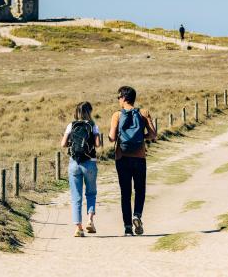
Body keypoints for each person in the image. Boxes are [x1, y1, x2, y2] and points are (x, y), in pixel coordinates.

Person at [108, 86, 156, 236]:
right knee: (140, 189)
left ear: (123, 98)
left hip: (121, 157)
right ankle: (137, 215)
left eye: (118, 97)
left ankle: (128, 227)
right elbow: (153, 134)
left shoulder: (117, 115)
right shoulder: (143, 113)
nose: (118, 100)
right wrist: (141, 138)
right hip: (139, 157)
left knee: (125, 193)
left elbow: (112, 137)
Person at [60, 101, 101, 237]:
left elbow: (63, 144)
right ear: (89, 112)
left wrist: (74, 143)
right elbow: (98, 144)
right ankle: (90, 220)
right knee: (91, 193)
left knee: (76, 197)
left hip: (74, 163)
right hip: (89, 162)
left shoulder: (71, 125)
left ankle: (78, 227)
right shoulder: (93, 125)